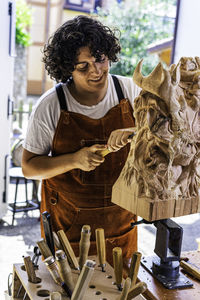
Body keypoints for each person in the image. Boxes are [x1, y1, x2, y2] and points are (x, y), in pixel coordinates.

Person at [22, 15, 141, 266]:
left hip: (121, 223)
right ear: (67, 68)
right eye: (83, 66)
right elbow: (29, 167)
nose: (96, 71)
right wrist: (75, 159)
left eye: (100, 59)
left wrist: (133, 130)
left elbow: (165, 132)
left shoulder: (129, 92)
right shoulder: (51, 105)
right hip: (69, 228)